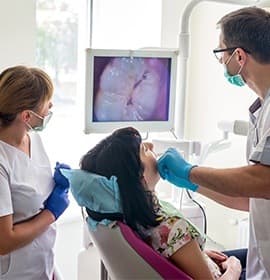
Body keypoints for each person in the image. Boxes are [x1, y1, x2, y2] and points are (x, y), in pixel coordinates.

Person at [157, 6, 270, 280]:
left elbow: (263, 181)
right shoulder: (261, 108)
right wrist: (196, 183)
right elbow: (252, 198)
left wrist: (190, 171)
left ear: (239, 56)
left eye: (221, 54)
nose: (221, 63)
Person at [75, 126, 241, 280]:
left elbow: (170, 257)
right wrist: (234, 267)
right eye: (144, 150)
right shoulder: (172, 229)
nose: (151, 146)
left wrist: (198, 255)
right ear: (140, 180)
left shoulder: (128, 219)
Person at [0, 65, 70, 280]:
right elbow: (4, 241)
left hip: (43, 264)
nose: (51, 106)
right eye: (47, 102)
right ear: (27, 116)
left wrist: (57, 185)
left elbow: (33, 197)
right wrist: (52, 212)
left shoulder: (34, 139)